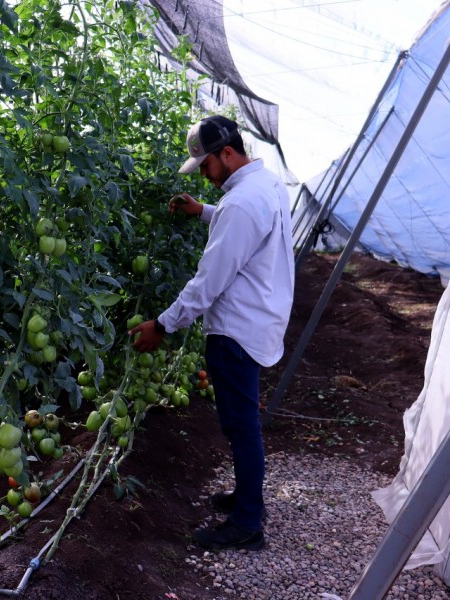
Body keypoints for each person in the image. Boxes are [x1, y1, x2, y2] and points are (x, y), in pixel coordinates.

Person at [128, 115, 294, 551]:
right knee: (244, 425)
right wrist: (203, 212)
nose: (202, 174)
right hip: (261, 317)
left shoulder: (241, 204)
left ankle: (247, 525)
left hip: (237, 330)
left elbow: (209, 280)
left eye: (205, 165)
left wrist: (163, 324)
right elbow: (243, 226)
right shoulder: (266, 185)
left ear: (227, 153)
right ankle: (245, 498)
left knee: (242, 428)